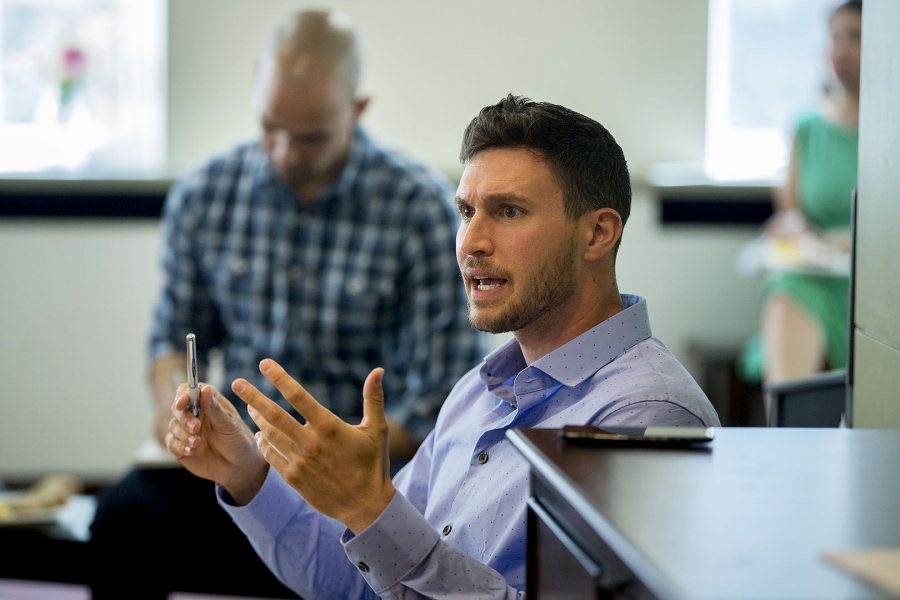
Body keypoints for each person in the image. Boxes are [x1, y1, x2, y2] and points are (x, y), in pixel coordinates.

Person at [165, 94, 721, 599]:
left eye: (508, 211)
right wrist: (246, 475)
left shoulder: (646, 415)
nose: (472, 243)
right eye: (466, 212)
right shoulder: (478, 393)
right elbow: (357, 584)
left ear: (598, 234)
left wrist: (371, 509)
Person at [88, 10, 484, 599]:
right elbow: (172, 338)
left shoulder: (419, 208)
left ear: (357, 108)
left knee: (378, 548)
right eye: (270, 127)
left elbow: (441, 395)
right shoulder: (205, 196)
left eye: (311, 136)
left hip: (363, 473)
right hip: (237, 456)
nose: (284, 152)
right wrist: (178, 403)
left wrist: (331, 456)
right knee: (123, 522)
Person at [740, 1, 861, 414]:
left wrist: (850, 239)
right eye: (835, 37)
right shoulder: (808, 128)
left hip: (873, 277)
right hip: (817, 274)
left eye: (856, 37)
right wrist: (794, 230)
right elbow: (790, 211)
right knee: (786, 290)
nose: (840, 50)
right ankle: (788, 427)